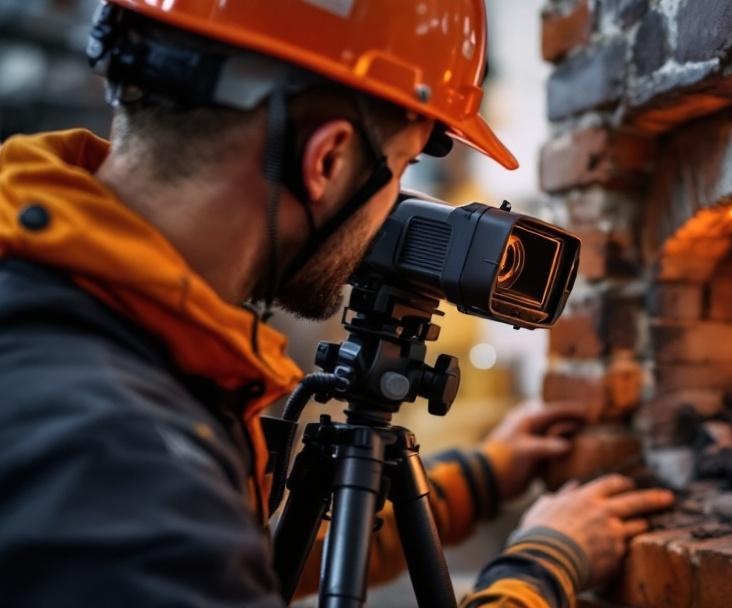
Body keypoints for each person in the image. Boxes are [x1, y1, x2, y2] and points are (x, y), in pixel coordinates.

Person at [0, 1, 674, 606]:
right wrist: (539, 570)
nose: (403, 210)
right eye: (405, 169)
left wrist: (480, 477)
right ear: (326, 160)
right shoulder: (124, 460)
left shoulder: (72, 326)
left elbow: (245, 566)